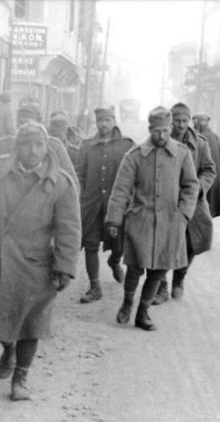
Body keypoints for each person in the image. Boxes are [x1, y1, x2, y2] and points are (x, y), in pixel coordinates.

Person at [0, 121, 81, 401]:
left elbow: (69, 228)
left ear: (47, 147)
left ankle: (20, 377)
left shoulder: (60, 183)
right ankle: (7, 347)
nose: (32, 151)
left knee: (32, 323)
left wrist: (64, 267)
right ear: (17, 146)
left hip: (35, 263)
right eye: (26, 144)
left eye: (38, 145)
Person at [105, 107, 199, 331]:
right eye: (157, 131)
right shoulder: (135, 156)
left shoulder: (182, 153)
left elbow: (191, 186)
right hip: (141, 221)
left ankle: (142, 312)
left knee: (159, 270)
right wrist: (114, 220)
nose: (162, 136)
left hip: (170, 223)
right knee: (135, 267)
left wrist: (184, 214)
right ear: (150, 130)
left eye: (166, 131)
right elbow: (120, 191)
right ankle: (128, 302)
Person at [153, 102, 216, 303]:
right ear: (171, 120)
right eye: (177, 120)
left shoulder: (200, 143)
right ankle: (160, 286)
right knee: (161, 242)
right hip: (165, 199)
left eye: (184, 120)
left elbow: (209, 170)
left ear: (189, 120)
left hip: (192, 199)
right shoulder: (162, 140)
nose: (180, 125)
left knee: (194, 241)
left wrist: (199, 187)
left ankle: (180, 277)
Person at [74, 106, 135, 303]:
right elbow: (79, 175)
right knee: (90, 244)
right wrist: (80, 198)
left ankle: (114, 261)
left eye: (108, 120)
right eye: (100, 121)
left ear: (114, 121)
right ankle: (95, 287)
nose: (104, 124)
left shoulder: (127, 146)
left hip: (116, 207)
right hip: (91, 206)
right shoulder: (87, 146)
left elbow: (134, 176)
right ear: (96, 123)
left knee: (118, 243)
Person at [0, 103, 79, 186]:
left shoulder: (54, 147)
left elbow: (71, 184)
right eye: (20, 123)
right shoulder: (3, 146)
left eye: (28, 123)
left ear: (41, 125)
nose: (24, 128)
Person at [193, 113, 220, 217]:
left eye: (194, 122)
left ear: (198, 122)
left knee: (203, 210)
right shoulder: (216, 137)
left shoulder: (199, 138)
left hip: (206, 179)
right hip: (215, 177)